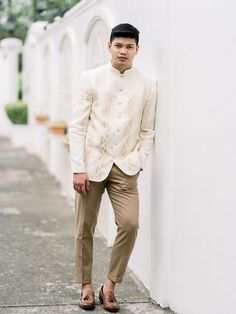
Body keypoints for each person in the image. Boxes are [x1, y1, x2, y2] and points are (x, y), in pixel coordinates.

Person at [69, 23, 157, 312]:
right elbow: (78, 126)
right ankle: (85, 286)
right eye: (118, 45)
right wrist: (78, 167)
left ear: (137, 50)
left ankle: (109, 285)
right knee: (84, 227)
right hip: (91, 166)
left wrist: (139, 159)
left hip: (126, 167)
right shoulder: (90, 78)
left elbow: (147, 130)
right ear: (109, 46)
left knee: (130, 224)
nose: (123, 50)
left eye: (129, 46)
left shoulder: (147, 83)